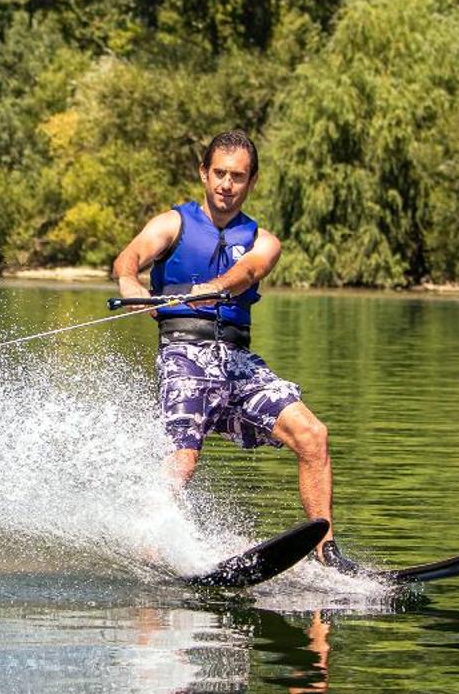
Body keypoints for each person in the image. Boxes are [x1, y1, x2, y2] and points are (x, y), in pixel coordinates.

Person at [112, 129, 353, 571]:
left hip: (237, 362)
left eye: (237, 176)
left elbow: (248, 271)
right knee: (182, 459)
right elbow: (127, 260)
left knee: (312, 434)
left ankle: (327, 553)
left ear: (251, 182)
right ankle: (147, 554)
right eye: (219, 173)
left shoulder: (264, 239)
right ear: (204, 173)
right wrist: (131, 284)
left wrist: (215, 288)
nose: (226, 184)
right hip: (184, 354)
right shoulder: (173, 224)